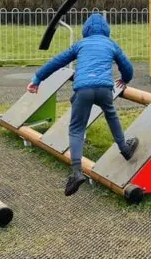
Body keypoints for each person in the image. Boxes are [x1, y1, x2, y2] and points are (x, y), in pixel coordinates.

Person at [27, 13, 139, 196]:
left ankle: (77, 171)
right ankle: (125, 149)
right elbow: (127, 67)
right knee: (112, 115)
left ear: (85, 31)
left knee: (77, 128)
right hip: (104, 89)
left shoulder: (80, 44)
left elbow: (57, 61)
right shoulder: (111, 44)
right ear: (107, 30)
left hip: (83, 89)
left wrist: (37, 78)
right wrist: (125, 79)